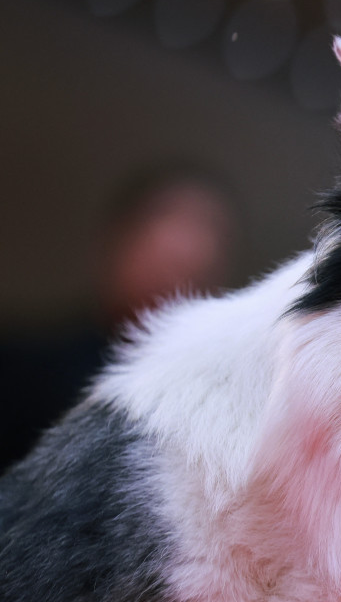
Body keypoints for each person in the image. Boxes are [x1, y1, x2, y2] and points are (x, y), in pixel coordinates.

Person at [0, 165, 235, 470]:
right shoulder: (23, 368)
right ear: (116, 243)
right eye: (164, 226)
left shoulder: (208, 409)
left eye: (207, 229)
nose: (187, 246)